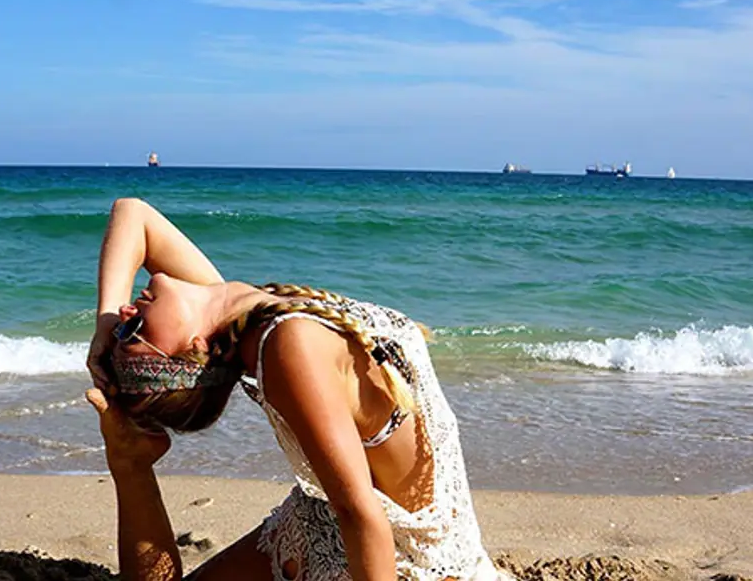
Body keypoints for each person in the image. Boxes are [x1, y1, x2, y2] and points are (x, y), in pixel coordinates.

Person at [85, 198, 509, 581]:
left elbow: (133, 214)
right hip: (365, 545)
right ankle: (131, 462)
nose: (126, 311)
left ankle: (131, 461)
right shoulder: (281, 342)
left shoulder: (254, 314)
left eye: (126, 326)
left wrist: (104, 324)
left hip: (415, 552)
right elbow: (358, 513)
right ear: (194, 349)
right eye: (132, 330)